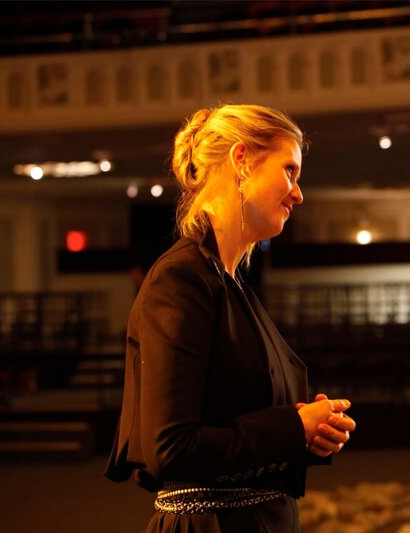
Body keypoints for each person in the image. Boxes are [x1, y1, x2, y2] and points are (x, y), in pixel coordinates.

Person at [105, 104, 356, 532]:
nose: (298, 193)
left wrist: (310, 434)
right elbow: (172, 447)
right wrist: (292, 427)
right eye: (289, 171)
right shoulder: (181, 279)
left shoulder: (229, 282)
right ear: (241, 160)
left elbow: (235, 417)